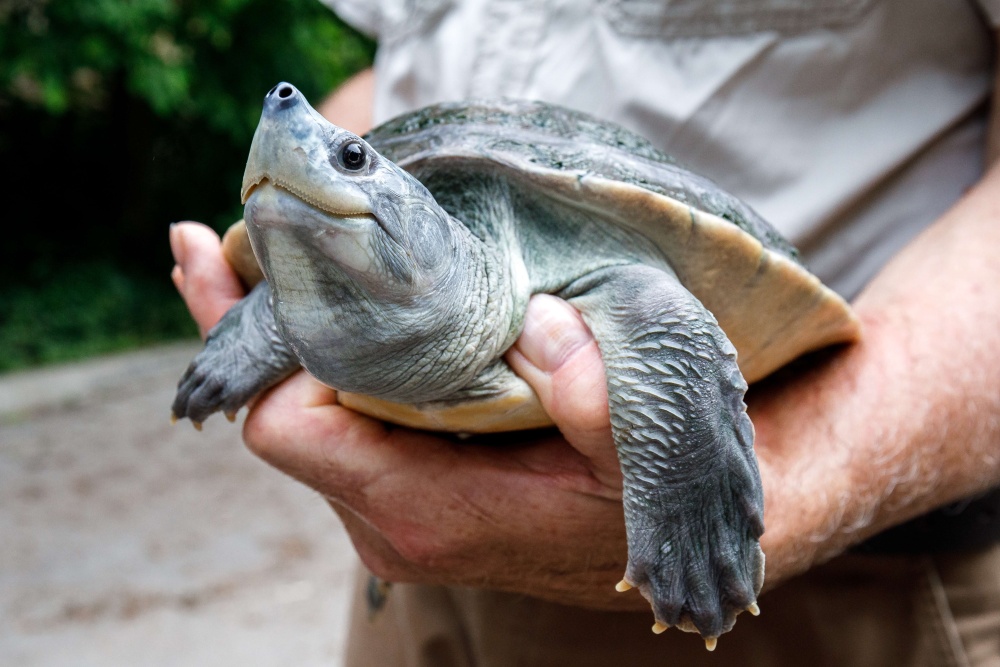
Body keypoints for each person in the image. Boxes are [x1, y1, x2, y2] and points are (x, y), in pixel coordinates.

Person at [170, 0, 1000, 663]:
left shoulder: (619, 281)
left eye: (347, 163)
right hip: (406, 578)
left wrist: (779, 493)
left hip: (844, 583)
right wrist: (295, 239)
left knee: (650, 311)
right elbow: (397, 67)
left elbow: (656, 305)